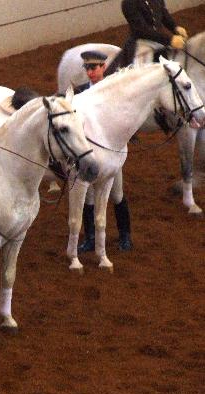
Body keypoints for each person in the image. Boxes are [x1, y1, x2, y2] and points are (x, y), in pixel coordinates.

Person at [74, 51, 133, 253]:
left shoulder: (113, 92)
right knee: (88, 197)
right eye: (88, 68)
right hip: (89, 155)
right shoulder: (79, 93)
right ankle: (90, 237)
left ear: (103, 68)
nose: (91, 72)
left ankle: (125, 235)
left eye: (94, 68)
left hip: (111, 154)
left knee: (117, 195)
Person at [109, 0, 188, 71]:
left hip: (159, 41)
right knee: (138, 73)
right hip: (141, 42)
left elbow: (164, 14)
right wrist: (169, 40)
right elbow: (141, 29)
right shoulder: (128, 3)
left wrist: (175, 27)